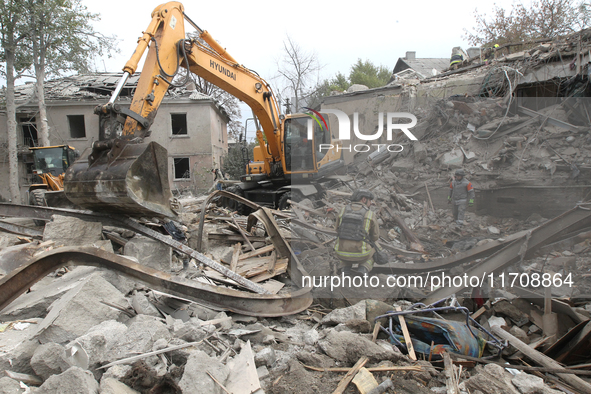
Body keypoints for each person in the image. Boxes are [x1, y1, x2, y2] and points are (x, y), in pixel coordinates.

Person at [334, 189, 380, 275]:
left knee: (346, 246)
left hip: (340, 253)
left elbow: (337, 230)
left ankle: (345, 269)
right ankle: (364, 268)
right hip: (361, 255)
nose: (370, 203)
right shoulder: (370, 214)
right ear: (363, 199)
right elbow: (375, 237)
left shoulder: (342, 210)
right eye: (370, 200)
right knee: (376, 248)